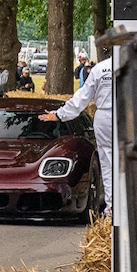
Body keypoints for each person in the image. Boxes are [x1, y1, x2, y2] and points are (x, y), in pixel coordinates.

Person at [41, 51, 113, 227]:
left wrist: (59, 115)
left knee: (108, 163)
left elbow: (82, 97)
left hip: (104, 116)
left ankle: (112, 209)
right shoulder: (132, 65)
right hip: (129, 115)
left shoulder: (100, 69)